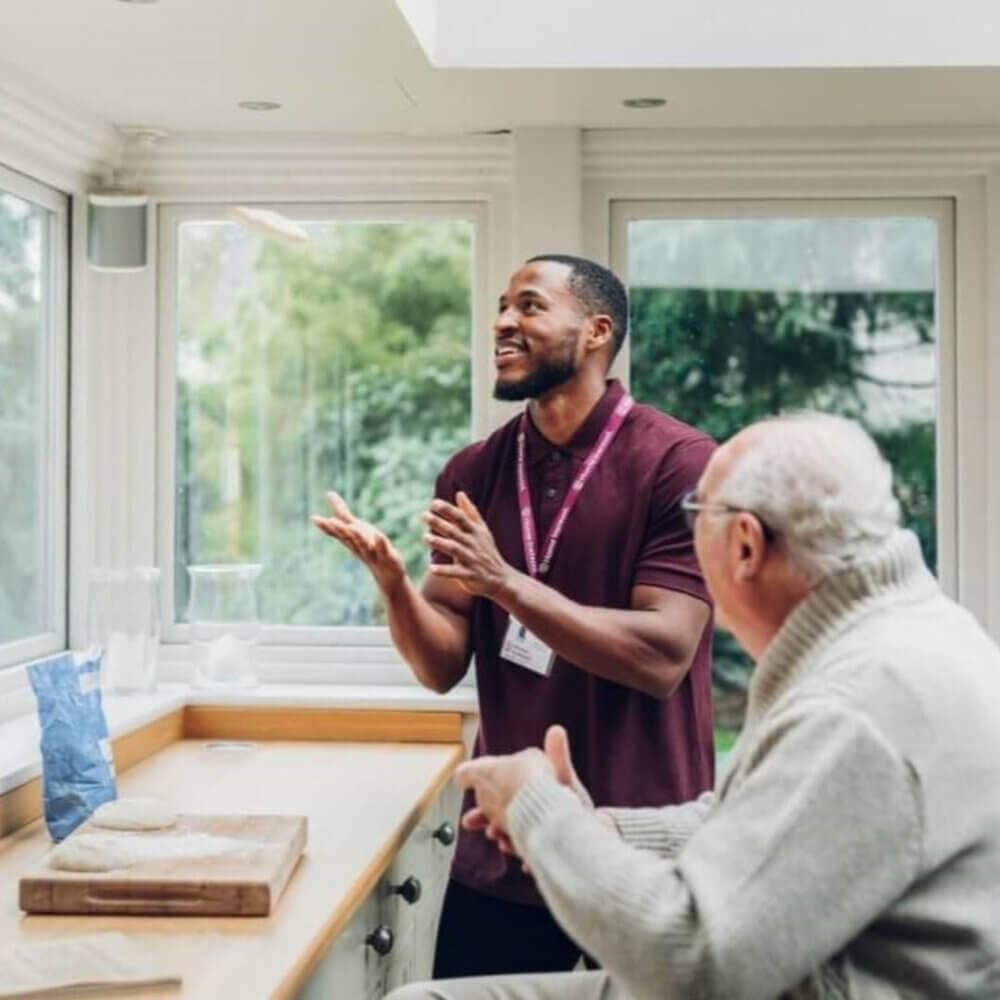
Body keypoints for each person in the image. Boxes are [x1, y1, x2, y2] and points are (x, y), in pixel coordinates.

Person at [389, 413, 1000, 999]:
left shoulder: (852, 706)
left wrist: (536, 810)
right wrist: (607, 828)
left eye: (694, 514)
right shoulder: (920, 633)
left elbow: (693, 964)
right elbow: (773, 820)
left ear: (744, 546)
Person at [312, 254, 717, 978]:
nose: (503, 322)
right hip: (502, 854)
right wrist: (396, 586)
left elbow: (663, 656)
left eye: (530, 306)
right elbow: (440, 665)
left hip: (638, 854)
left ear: (596, 331)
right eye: (502, 306)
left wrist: (505, 583)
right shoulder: (473, 471)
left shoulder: (679, 463)